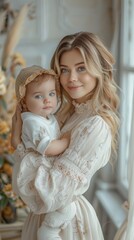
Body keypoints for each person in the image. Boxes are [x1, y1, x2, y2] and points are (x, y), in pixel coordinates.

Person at [11, 32, 120, 240]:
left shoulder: (95, 125)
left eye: (81, 68)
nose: (71, 78)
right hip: (41, 217)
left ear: (98, 71)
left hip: (66, 225)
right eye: (64, 70)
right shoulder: (65, 114)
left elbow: (53, 192)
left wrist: (17, 145)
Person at [13, 65, 76, 240]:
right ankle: (48, 230)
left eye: (51, 94)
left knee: (66, 206)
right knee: (65, 206)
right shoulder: (33, 122)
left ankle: (50, 227)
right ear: (24, 102)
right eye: (38, 96)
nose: (47, 100)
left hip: (44, 165)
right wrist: (66, 141)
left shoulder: (46, 117)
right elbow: (47, 148)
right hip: (35, 170)